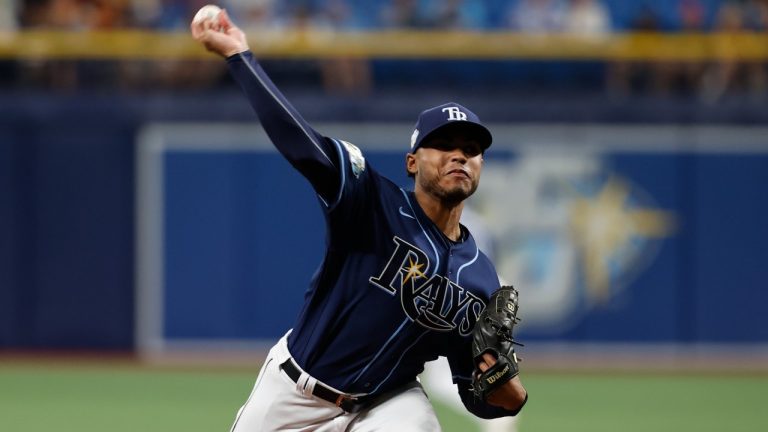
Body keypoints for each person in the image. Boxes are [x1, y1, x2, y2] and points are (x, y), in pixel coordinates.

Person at [190, 9, 528, 431]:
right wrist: (240, 56)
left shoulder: (479, 277)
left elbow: (473, 391)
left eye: (471, 148)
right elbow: (302, 144)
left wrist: (510, 395)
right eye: (442, 144)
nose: (459, 154)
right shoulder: (370, 202)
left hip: (386, 403)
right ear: (411, 162)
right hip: (295, 393)